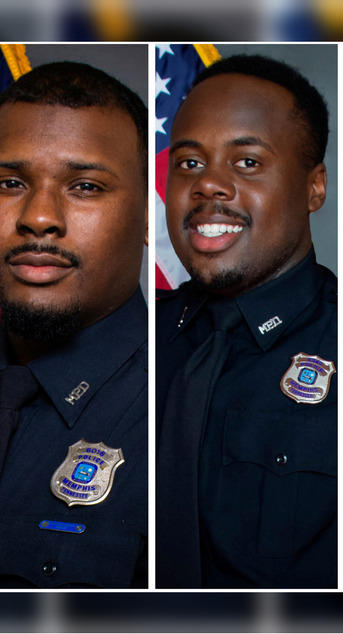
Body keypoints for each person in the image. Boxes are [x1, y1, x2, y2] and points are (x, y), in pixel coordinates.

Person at [0, 61, 148, 588]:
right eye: (10, 182)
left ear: (145, 220)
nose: (39, 216)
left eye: (85, 186)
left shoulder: (187, 403)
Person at [157, 54, 336, 589]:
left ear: (314, 187)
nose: (209, 185)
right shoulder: (129, 340)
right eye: (188, 163)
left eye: (248, 162)